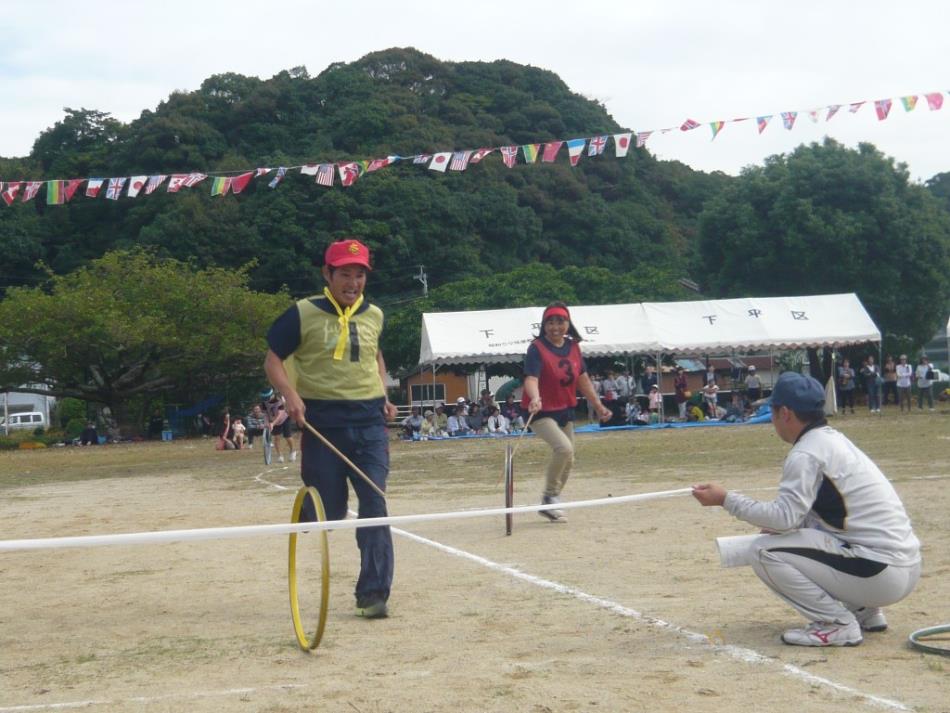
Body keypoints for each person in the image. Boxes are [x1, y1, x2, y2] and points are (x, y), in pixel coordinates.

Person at [692, 372, 921, 647]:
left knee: (763, 551)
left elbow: (782, 519)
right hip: (905, 567)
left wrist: (726, 500)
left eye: (772, 411)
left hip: (879, 572)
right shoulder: (835, 441)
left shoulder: (806, 453)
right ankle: (865, 610)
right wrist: (792, 529)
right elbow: (826, 512)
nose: (772, 419)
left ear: (785, 413)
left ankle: (837, 624)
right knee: (799, 538)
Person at [264, 238, 397, 619]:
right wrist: (289, 394)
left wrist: (384, 392)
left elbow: (374, 353)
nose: (352, 282)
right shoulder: (302, 313)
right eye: (345, 274)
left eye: (359, 275)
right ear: (328, 274)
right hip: (321, 421)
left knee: (375, 502)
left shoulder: (375, 314)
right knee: (332, 510)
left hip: (370, 423)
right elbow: (273, 359)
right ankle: (312, 510)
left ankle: (373, 593)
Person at [522, 302, 612, 522]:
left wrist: (599, 406)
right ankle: (551, 497)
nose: (555, 327)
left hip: (564, 409)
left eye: (560, 322)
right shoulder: (537, 348)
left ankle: (549, 502)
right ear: (544, 325)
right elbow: (531, 378)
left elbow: (583, 380)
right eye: (550, 323)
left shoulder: (573, 347)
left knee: (569, 458)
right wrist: (535, 397)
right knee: (563, 449)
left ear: (568, 324)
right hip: (540, 410)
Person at [262, 388, 297, 462]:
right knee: (276, 437)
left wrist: (273, 423)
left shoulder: (279, 401)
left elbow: (280, 415)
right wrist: (266, 422)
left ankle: (293, 451)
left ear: (272, 395)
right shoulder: (264, 403)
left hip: (284, 418)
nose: (266, 400)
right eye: (265, 398)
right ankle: (280, 455)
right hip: (274, 421)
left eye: (267, 398)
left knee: (288, 436)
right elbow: (265, 413)